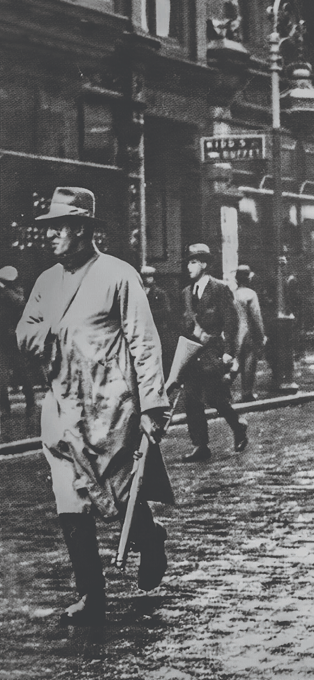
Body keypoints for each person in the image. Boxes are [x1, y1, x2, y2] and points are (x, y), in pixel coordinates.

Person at [16, 187, 172, 624]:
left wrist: (151, 405)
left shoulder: (118, 275)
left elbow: (143, 342)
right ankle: (91, 593)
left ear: (82, 229)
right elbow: (24, 332)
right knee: (68, 498)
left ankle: (150, 537)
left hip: (111, 406)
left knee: (121, 492)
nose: (49, 236)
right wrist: (47, 330)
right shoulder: (47, 281)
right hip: (63, 406)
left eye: (58, 228)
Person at [179, 243, 248, 462]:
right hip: (193, 354)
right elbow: (184, 325)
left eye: (194, 262)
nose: (189, 267)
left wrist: (230, 353)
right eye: (188, 262)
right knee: (191, 400)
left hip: (214, 353)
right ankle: (200, 445)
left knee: (215, 397)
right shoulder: (187, 293)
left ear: (205, 264)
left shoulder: (219, 288)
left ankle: (238, 427)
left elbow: (231, 322)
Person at [0, 265, 36, 420]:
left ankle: (30, 402)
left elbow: (18, 302)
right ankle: (4, 407)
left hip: (12, 338)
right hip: (4, 337)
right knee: (2, 374)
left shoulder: (14, 292)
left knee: (21, 370)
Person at [233, 265, 267, 402]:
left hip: (234, 332)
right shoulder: (251, 294)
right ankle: (247, 393)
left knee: (236, 362)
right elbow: (256, 317)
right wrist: (261, 336)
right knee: (249, 362)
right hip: (248, 332)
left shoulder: (232, 293)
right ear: (248, 279)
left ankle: (230, 391)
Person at [141, 265, 177, 373]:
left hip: (159, 329)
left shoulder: (160, 293)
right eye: (145, 276)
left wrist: (148, 313)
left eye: (150, 276)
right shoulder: (140, 292)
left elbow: (166, 311)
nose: (147, 279)